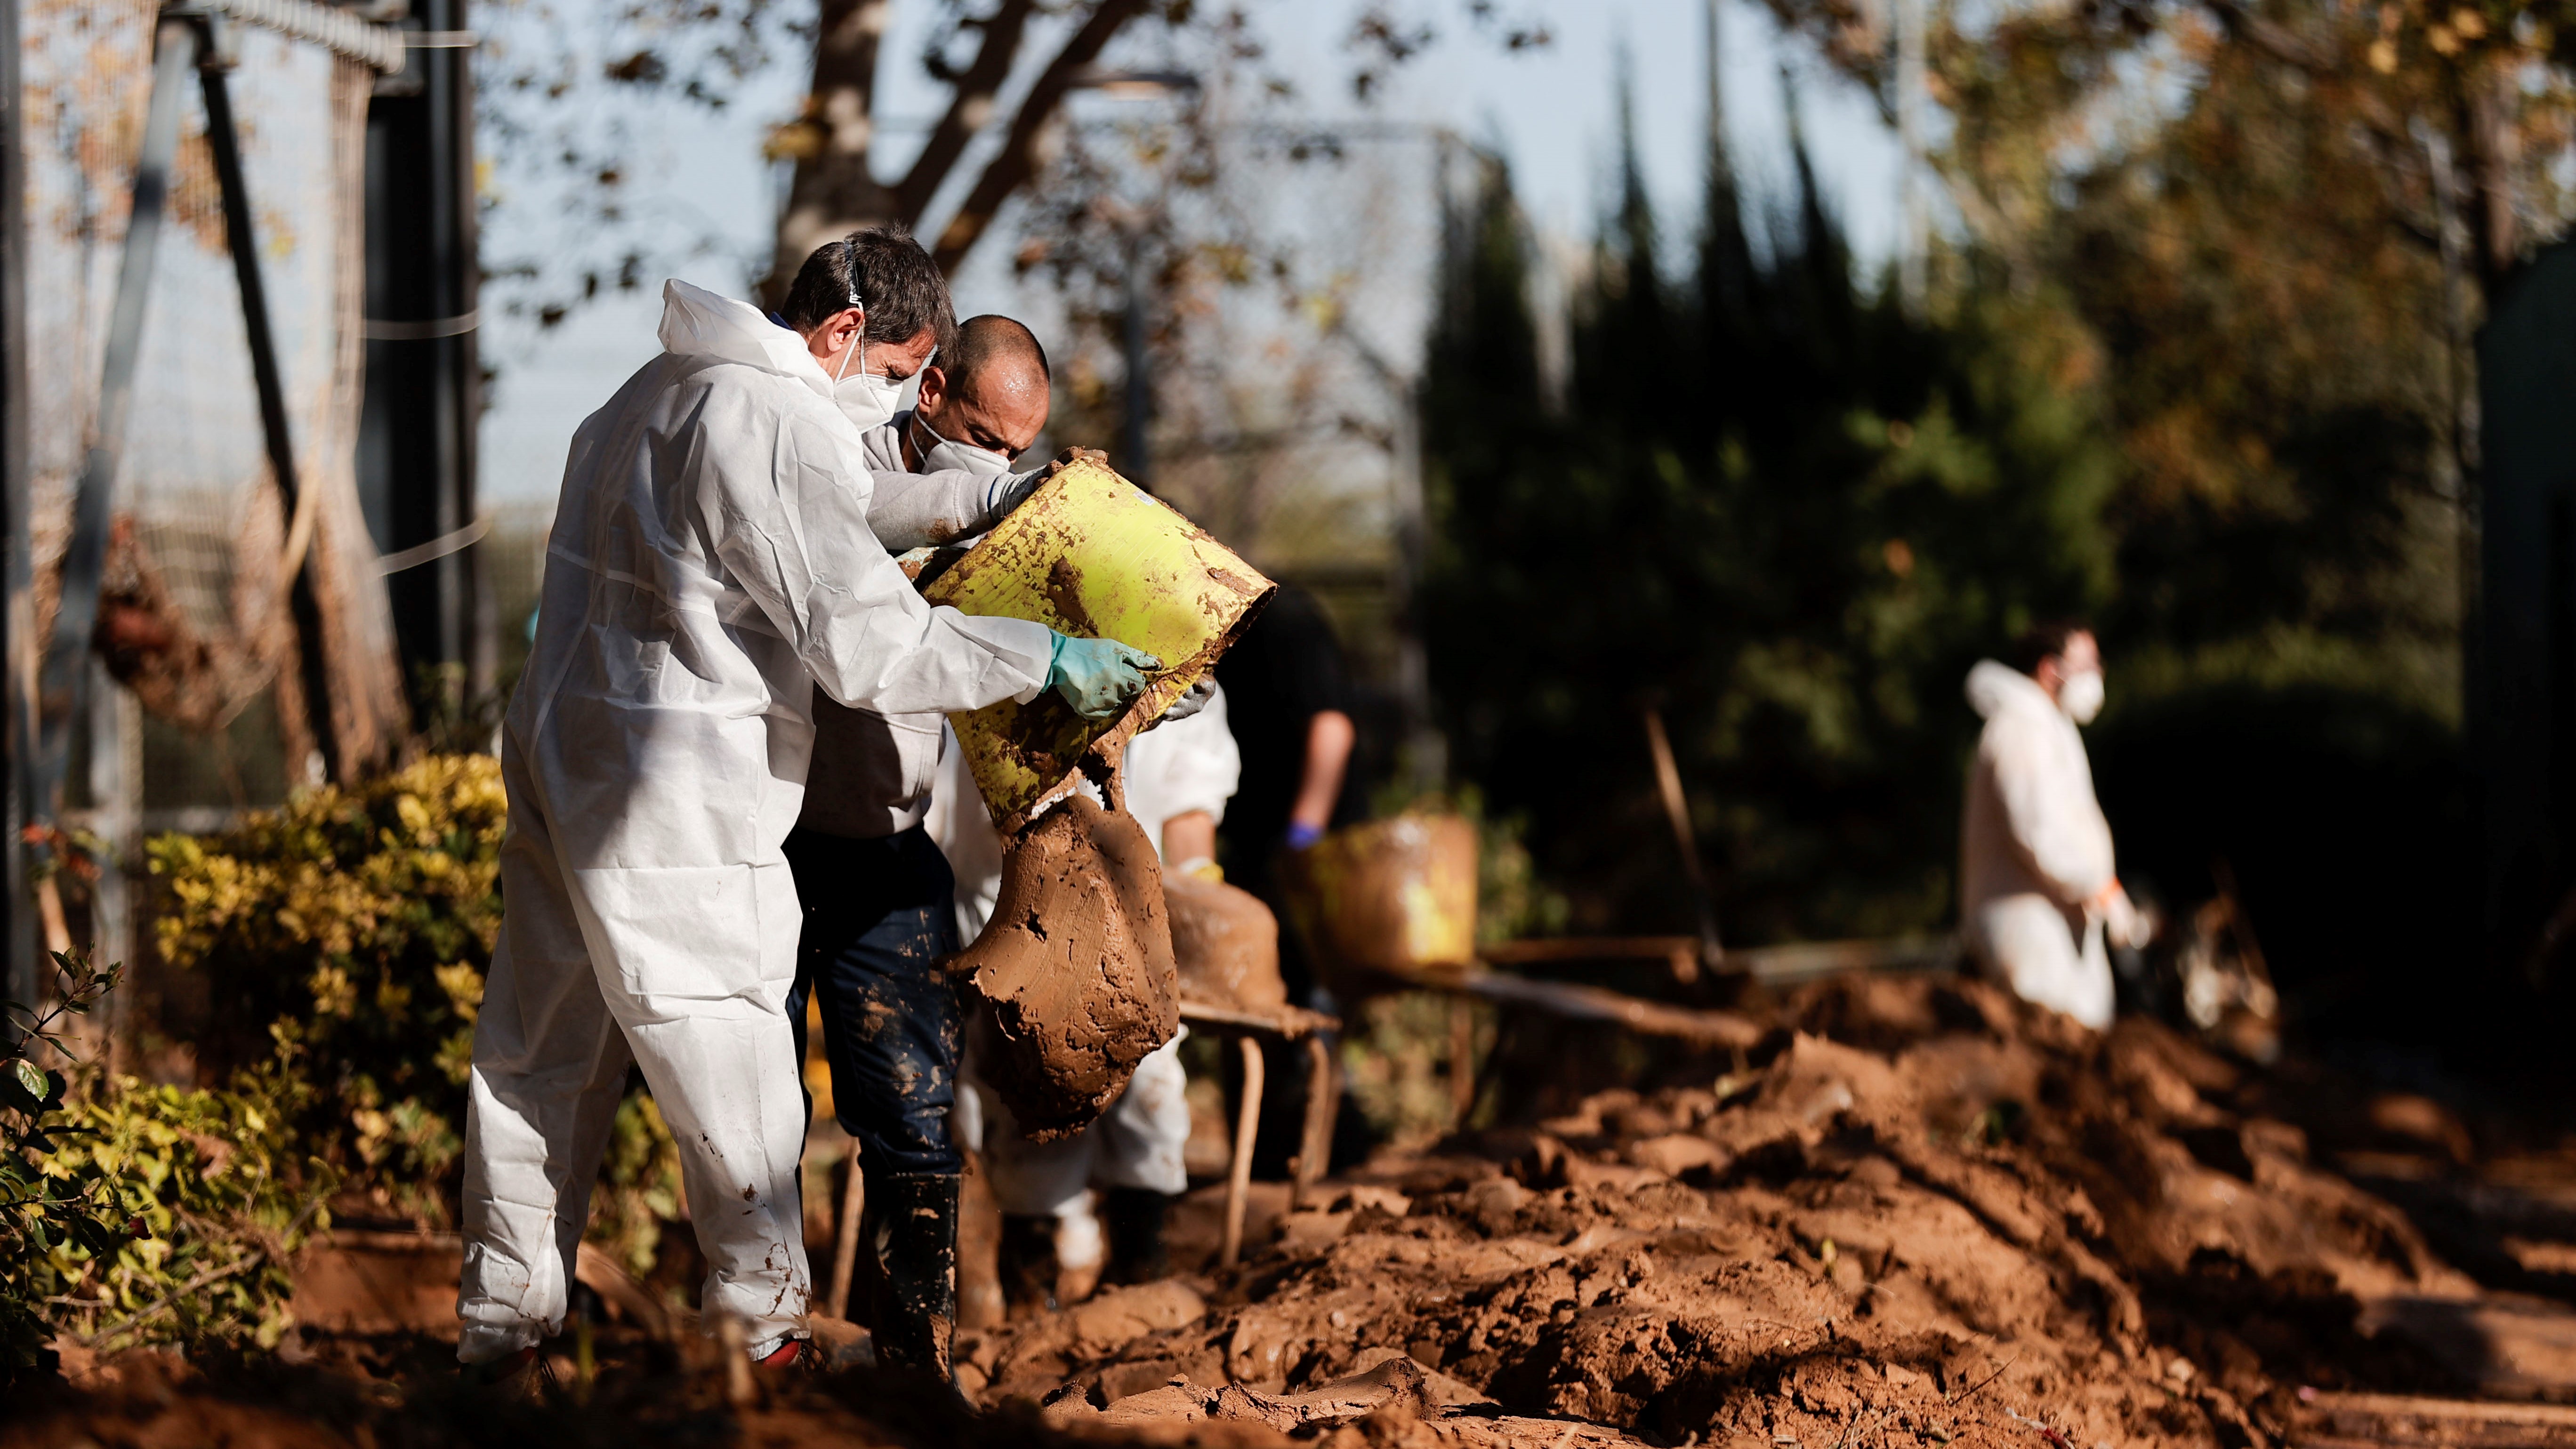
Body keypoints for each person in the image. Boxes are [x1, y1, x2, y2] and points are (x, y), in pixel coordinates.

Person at [455, 225, 1159, 1381]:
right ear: (845, 334)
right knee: (731, 1060)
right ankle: (765, 1338)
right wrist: (1043, 660)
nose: (893, 401)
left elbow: (800, 520)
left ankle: (500, 1339)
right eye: (896, 374)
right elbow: (868, 649)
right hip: (674, 794)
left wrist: (964, 505)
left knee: (540, 1059)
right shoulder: (770, 419)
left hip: (560, 761)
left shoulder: (647, 397)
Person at [781, 314, 1059, 1379]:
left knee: (912, 1104)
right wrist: (980, 494)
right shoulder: (833, 454)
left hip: (891, 848)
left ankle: (916, 1346)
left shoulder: (1001, 515)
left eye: (1016, 450)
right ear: (930, 390)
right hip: (780, 840)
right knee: (756, 1106)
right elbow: (865, 521)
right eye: (985, 438)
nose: (1000, 464)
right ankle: (757, 1334)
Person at [931, 684, 1239, 1312]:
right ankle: (1035, 1267)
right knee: (1023, 1090)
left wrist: (1196, 889)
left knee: (1147, 1083)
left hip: (1131, 903)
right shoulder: (988, 630)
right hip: (1007, 902)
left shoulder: (1174, 644)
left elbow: (1189, 796)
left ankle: (1140, 1262)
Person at [1959, 622, 2149, 1030]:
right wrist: (2100, 887)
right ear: (2050, 669)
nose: (2098, 674)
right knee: (2047, 1059)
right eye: (2088, 663)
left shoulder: (2049, 728)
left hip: (2056, 925)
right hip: (2029, 929)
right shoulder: (2020, 729)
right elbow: (2037, 834)